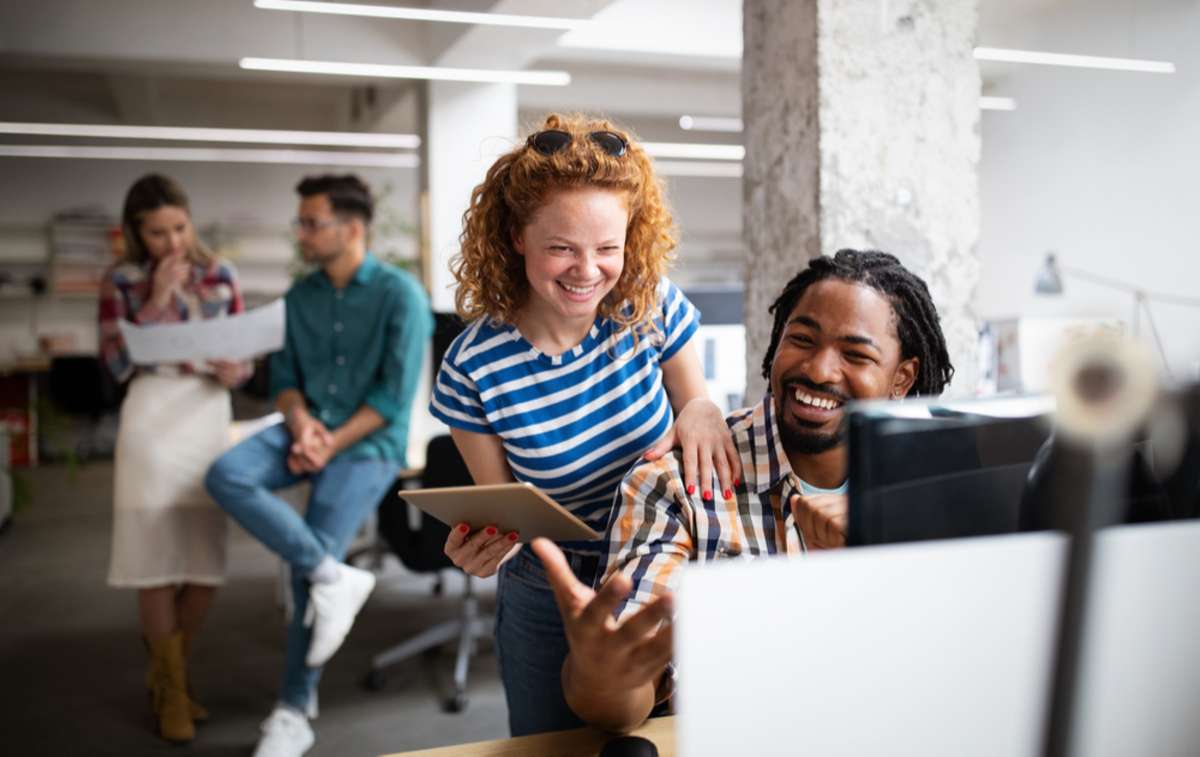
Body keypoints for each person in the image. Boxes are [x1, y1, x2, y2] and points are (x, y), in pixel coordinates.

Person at [532, 249, 956, 733]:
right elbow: (629, 689)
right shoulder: (675, 483)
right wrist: (604, 678)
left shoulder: (933, 485)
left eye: (855, 354)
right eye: (801, 340)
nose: (819, 371)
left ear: (901, 377)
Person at [429, 113, 741, 736]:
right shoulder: (473, 366)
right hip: (552, 586)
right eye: (562, 248)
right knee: (555, 746)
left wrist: (703, 410)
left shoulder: (646, 306)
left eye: (607, 248)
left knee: (684, 737)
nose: (588, 271)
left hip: (666, 560)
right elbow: (506, 514)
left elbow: (694, 408)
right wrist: (482, 544)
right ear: (517, 237)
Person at [204, 174, 432, 757]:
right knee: (227, 474)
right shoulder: (300, 297)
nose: (301, 233)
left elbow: (391, 398)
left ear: (351, 229)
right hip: (305, 430)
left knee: (314, 560)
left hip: (367, 445)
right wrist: (302, 423)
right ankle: (335, 577)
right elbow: (283, 382)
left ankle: (293, 709)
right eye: (301, 222)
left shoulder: (399, 295)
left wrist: (328, 442)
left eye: (312, 222)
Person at [101, 173, 253, 744]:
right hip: (150, 418)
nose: (172, 243)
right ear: (139, 235)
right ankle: (172, 692)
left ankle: (170, 676)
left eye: (179, 229)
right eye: (158, 234)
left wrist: (236, 368)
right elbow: (115, 365)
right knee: (157, 560)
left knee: (204, 560)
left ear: (191, 221)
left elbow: (241, 357)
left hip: (207, 414)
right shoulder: (121, 279)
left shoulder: (221, 273)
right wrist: (159, 299)